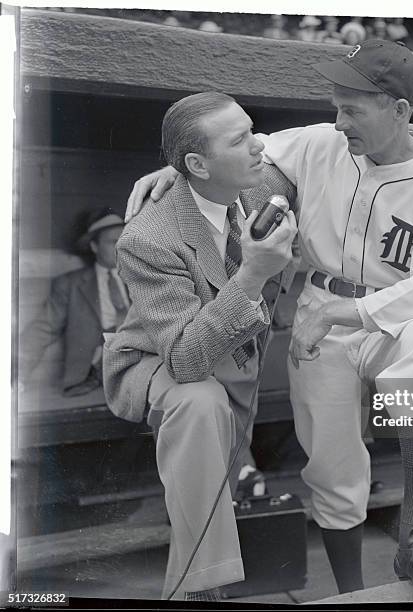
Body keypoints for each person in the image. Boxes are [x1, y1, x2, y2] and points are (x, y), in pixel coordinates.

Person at [125, 40, 413, 602]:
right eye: (335, 105)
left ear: (399, 111)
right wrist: (169, 172)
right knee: (332, 467)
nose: (338, 122)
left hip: (391, 317)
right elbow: (226, 150)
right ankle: (352, 593)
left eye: (352, 109)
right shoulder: (321, 141)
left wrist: (345, 311)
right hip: (321, 314)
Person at [103, 92, 297, 601]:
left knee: (212, 488)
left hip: (235, 365)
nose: (259, 145)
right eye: (240, 140)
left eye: (253, 129)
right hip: (157, 361)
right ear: (196, 164)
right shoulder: (147, 236)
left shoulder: (263, 183)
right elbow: (186, 360)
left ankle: (190, 590)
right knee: (199, 401)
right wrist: (254, 272)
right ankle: (208, 591)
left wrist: (412, 132)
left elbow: (338, 139)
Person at [20, 208, 127, 396]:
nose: (121, 248)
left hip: (139, 370)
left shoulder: (141, 278)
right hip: (91, 376)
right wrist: (16, 375)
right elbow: (43, 329)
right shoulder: (70, 284)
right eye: (113, 242)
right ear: (94, 246)